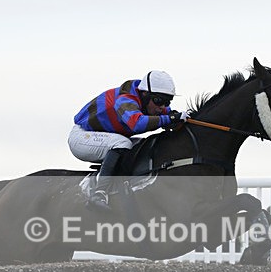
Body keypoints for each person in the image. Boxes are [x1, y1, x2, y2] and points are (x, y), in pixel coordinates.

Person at [68, 70, 188, 211]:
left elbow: (169, 117)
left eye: (167, 102)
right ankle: (99, 193)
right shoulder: (125, 99)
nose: (162, 107)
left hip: (104, 136)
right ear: (145, 94)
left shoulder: (150, 102)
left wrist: (178, 118)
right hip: (83, 137)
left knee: (143, 144)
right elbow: (137, 123)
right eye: (159, 101)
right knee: (122, 143)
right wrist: (170, 119)